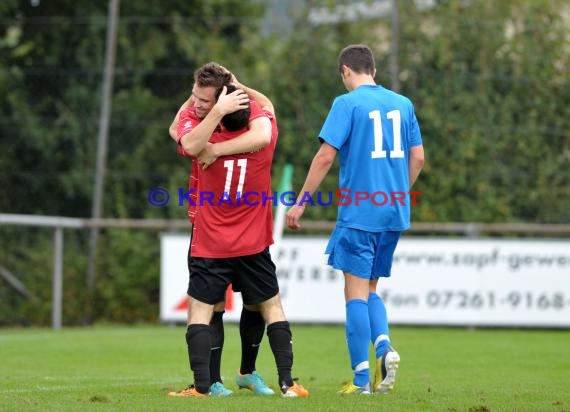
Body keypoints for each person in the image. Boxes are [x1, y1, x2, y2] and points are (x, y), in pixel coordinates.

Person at [286, 44, 424, 395]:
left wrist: (300, 203)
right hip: (393, 212)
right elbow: (418, 158)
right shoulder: (403, 104)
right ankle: (384, 348)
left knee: (354, 293)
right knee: (372, 288)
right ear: (373, 70)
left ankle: (362, 380)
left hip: (359, 212)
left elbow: (324, 157)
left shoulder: (346, 104)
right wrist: (396, 192)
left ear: (346, 71)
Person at [171, 81, 309, 398]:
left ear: (219, 113)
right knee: (270, 306)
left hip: (211, 242)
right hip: (253, 241)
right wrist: (237, 86)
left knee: (202, 310)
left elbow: (180, 129)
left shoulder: (204, 142)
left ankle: (204, 386)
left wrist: (210, 104)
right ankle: (287, 383)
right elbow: (268, 107)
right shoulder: (263, 139)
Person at [167, 63, 274, 397]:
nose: (195, 104)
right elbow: (183, 136)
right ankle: (211, 382)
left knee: (255, 303)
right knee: (212, 305)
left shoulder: (239, 127)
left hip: (247, 231)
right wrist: (210, 105)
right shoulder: (200, 123)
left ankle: (247, 372)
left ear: (225, 102)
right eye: (194, 96)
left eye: (203, 99)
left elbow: (266, 111)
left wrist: (239, 88)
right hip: (209, 229)